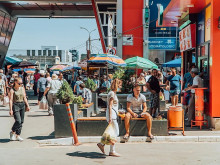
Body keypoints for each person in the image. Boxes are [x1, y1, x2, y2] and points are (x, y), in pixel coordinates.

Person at [97, 79, 121, 157]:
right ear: (117, 85)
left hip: (113, 115)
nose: (121, 87)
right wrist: (110, 117)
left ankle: (105, 146)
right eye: (120, 85)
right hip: (112, 115)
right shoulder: (111, 93)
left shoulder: (113, 93)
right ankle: (109, 149)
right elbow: (110, 106)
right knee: (115, 133)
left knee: (112, 133)